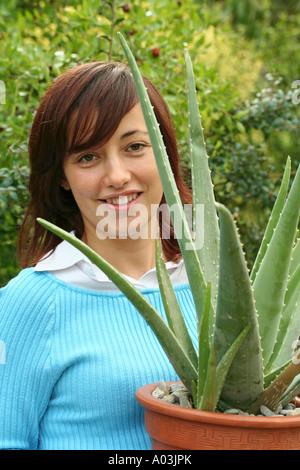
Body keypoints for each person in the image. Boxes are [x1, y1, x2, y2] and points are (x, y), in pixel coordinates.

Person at [0, 61, 197, 450]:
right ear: (62, 177)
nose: (117, 175)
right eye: (88, 156)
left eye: (135, 146)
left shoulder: (211, 285)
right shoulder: (29, 302)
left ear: (164, 154)